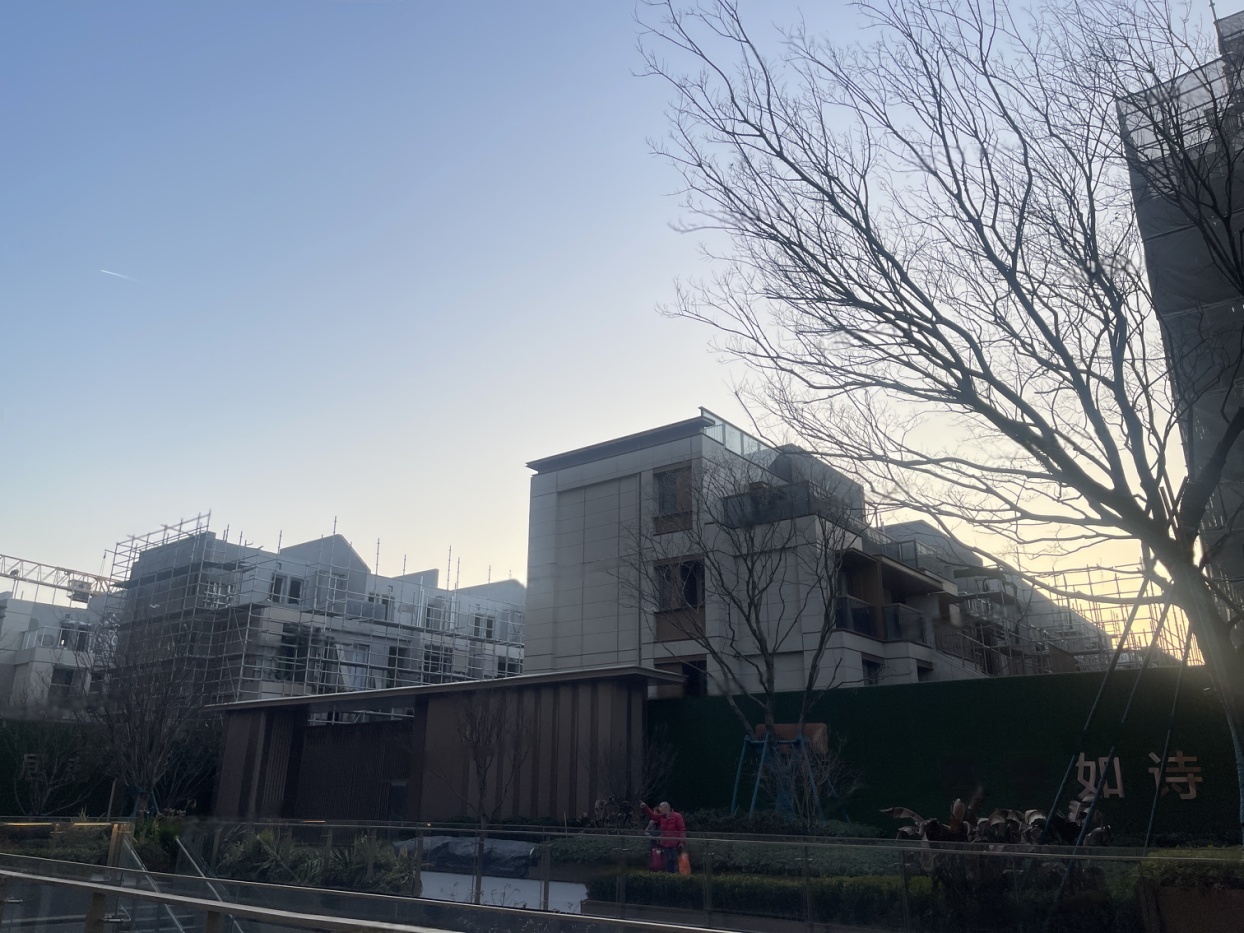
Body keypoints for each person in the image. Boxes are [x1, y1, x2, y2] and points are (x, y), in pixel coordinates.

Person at [641, 800, 686, 872]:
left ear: (666, 808)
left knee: (675, 862)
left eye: (661, 807)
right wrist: (645, 808)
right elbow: (653, 816)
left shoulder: (677, 816)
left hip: (675, 844)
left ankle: (676, 876)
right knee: (667, 862)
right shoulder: (661, 817)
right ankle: (668, 876)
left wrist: (682, 842)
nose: (659, 809)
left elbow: (682, 830)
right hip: (665, 844)